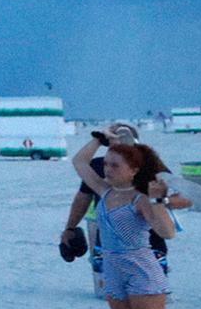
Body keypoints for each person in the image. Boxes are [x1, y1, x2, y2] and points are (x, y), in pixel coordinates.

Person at [74, 133, 180, 309]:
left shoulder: (140, 198)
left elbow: (167, 232)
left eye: (115, 166)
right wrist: (99, 139)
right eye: (107, 165)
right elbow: (80, 161)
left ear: (133, 170)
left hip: (141, 268)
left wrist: (158, 201)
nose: (107, 170)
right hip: (112, 267)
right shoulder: (104, 191)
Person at [58, 121, 189, 291]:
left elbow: (183, 200)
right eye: (113, 145)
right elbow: (82, 195)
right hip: (109, 251)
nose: (109, 168)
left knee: (148, 303)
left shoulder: (151, 168)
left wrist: (160, 201)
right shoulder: (101, 172)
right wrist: (70, 228)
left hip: (148, 250)